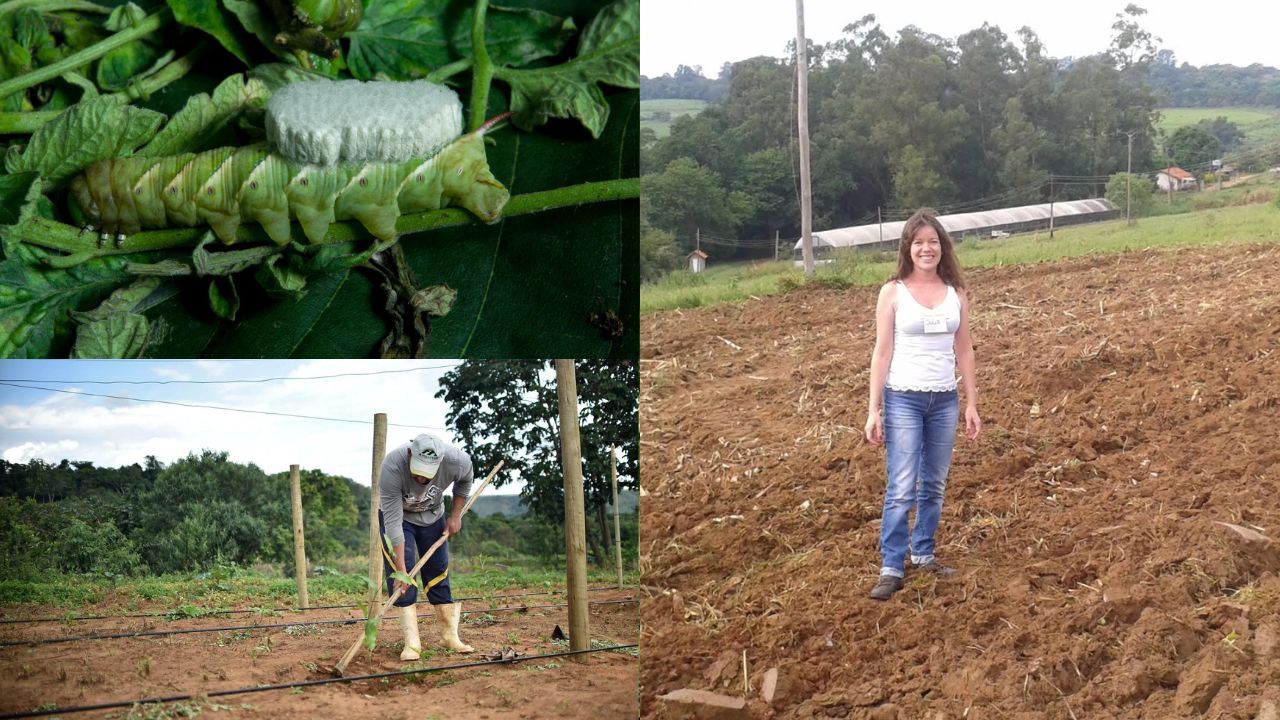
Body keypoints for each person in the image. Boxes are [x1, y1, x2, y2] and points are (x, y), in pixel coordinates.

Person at [863, 208, 981, 601]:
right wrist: (874, 409)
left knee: (933, 484)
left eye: (932, 242)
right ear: (908, 248)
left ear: (942, 247)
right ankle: (891, 566)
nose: (926, 249)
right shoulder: (893, 292)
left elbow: (965, 350)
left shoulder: (956, 294)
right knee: (901, 485)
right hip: (903, 399)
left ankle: (924, 553)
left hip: (944, 400)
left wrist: (971, 403)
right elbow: (882, 352)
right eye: (918, 243)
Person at [379, 432, 475, 658]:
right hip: (399, 518)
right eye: (418, 471)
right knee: (402, 576)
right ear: (410, 454)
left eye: (428, 474)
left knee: (438, 569)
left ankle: (449, 636)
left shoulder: (457, 461)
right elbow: (393, 526)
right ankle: (412, 643)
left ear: (441, 462)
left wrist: (455, 515)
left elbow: (465, 480)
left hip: (433, 515)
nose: (422, 479)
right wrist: (401, 571)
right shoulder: (392, 466)